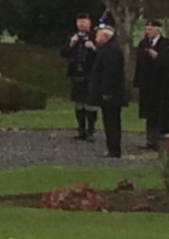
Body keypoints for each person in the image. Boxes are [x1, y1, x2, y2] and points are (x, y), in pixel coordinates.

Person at [89, 26, 127, 158]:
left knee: (112, 122)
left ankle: (114, 150)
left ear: (105, 36)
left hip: (111, 94)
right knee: (109, 121)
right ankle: (111, 148)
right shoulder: (107, 49)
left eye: (98, 34)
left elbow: (110, 73)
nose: (96, 37)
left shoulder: (111, 51)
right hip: (109, 93)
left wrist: (107, 92)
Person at [60, 13, 98, 141]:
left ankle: (91, 131)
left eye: (84, 22)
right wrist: (71, 44)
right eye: (79, 22)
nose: (82, 24)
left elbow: (102, 54)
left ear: (89, 23)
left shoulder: (95, 36)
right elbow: (63, 53)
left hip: (91, 73)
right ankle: (81, 130)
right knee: (78, 103)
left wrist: (93, 47)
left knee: (90, 103)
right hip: (76, 72)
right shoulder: (72, 37)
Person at [133, 21, 168, 151]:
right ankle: (150, 140)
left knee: (160, 112)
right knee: (149, 113)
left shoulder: (165, 44)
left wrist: (157, 57)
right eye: (147, 29)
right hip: (146, 85)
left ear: (158, 30)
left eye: (151, 29)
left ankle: (160, 139)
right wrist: (137, 81)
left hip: (161, 85)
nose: (148, 32)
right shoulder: (143, 44)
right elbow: (139, 63)